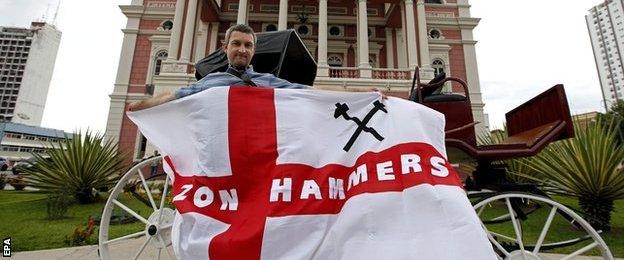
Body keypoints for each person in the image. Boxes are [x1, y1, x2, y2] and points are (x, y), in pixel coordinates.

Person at [129, 24, 383, 111]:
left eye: (248, 45)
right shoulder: (212, 81)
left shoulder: (267, 80)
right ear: (225, 47)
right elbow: (174, 95)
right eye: (237, 44)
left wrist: (358, 94)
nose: (242, 49)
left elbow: (309, 91)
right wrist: (141, 105)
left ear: (253, 50)